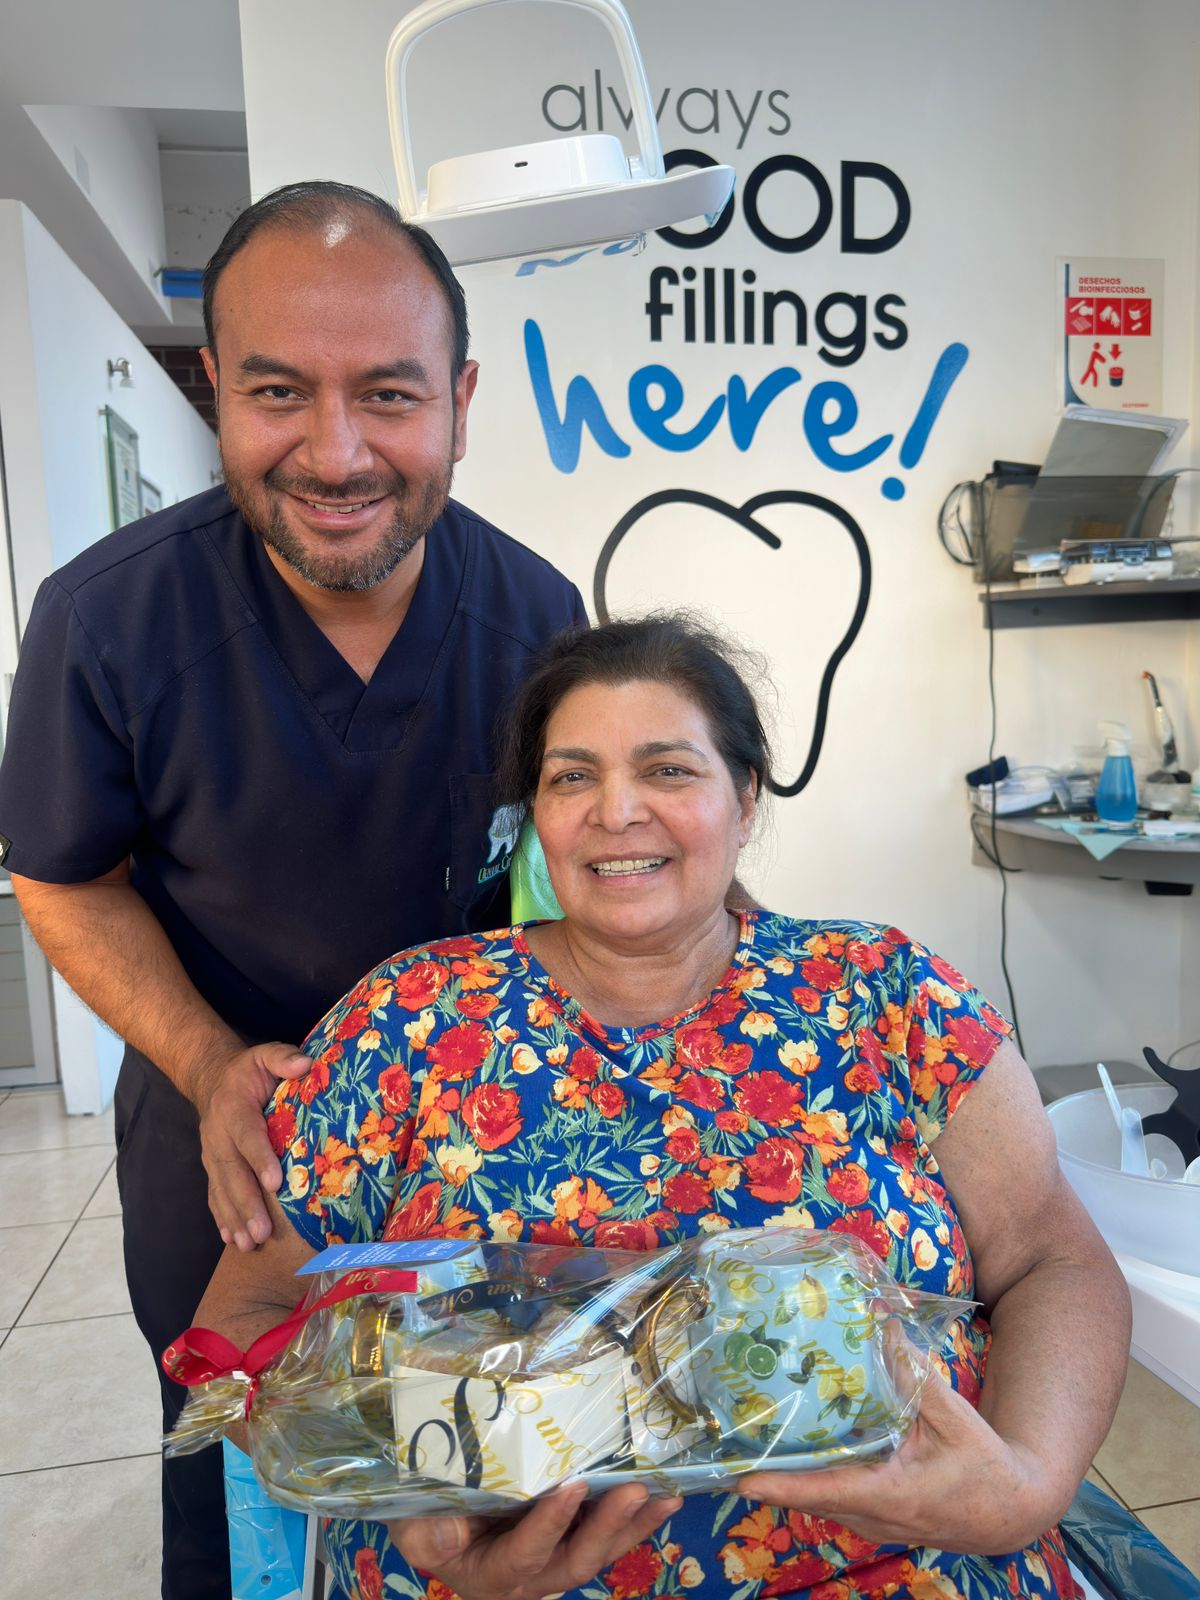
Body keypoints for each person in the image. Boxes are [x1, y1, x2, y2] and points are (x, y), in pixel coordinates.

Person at [190, 613, 1131, 1600]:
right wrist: (395, 1493)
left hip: (909, 1566)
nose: (617, 808)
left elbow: (1053, 1257)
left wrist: (1026, 1482)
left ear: (746, 798)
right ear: (535, 818)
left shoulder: (889, 994)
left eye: (669, 769)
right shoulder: (409, 1018)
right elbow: (238, 1321)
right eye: (571, 776)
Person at [0, 181, 586, 1598]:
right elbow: (63, 881)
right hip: (227, 1151)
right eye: (277, 391)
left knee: (474, 1488)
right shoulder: (106, 619)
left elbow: (567, 885)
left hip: (477, 1148)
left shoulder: (541, 620)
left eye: (388, 394)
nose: (335, 454)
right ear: (215, 389)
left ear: (460, 398)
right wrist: (210, 1071)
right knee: (244, 1490)